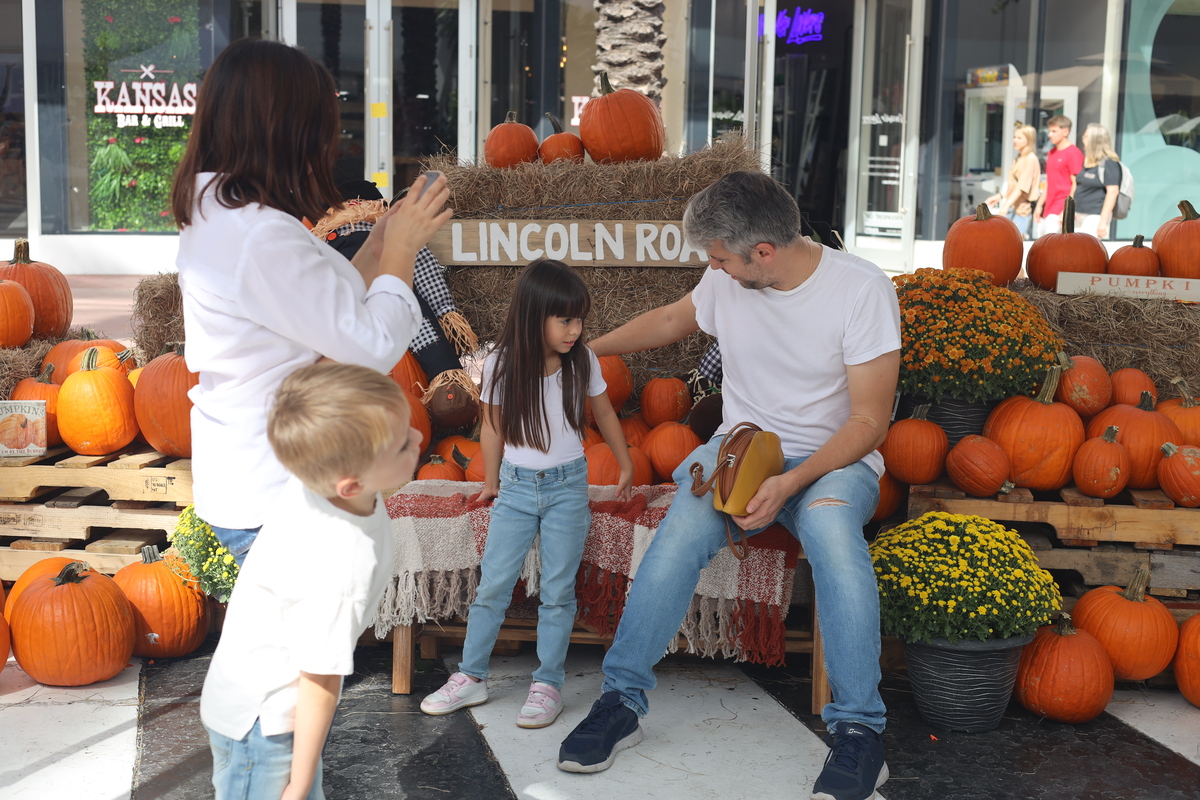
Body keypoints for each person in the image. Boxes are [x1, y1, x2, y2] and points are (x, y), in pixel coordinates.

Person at [556, 171, 901, 800]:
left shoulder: (860, 290)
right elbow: (672, 319)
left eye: (719, 258)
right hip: (740, 449)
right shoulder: (727, 277)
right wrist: (582, 354)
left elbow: (869, 423)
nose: (711, 269)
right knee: (679, 531)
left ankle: (859, 733)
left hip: (835, 460)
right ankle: (621, 701)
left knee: (830, 531)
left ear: (762, 252)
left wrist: (792, 481)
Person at [169, 39, 451, 565]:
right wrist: (405, 250)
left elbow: (319, 295)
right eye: (325, 126)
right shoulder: (258, 236)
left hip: (247, 477)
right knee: (306, 646)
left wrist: (379, 242)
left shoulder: (217, 211)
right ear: (284, 131)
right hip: (277, 488)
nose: (333, 141)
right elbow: (369, 346)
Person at [420, 259, 635, 728]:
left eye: (580, 319)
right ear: (534, 316)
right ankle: (471, 677)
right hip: (516, 489)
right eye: (566, 319)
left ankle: (547, 684)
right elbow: (493, 427)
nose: (575, 329)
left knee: (558, 591)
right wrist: (491, 481)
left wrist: (624, 462)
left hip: (567, 489)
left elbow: (605, 413)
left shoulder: (583, 361)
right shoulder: (501, 363)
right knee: (494, 585)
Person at [200, 362, 423, 800]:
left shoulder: (319, 481)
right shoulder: (341, 559)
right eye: (402, 445)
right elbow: (320, 680)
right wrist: (299, 787)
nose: (418, 439)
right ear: (349, 484)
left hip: (259, 705)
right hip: (265, 728)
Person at [984, 124, 1041, 239]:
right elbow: (1013, 185)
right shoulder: (1019, 157)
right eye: (1015, 137)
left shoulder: (1030, 159)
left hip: (1022, 211)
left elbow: (1021, 188)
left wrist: (1005, 206)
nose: (1015, 140)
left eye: (1019, 138)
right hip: (1012, 207)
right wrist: (1000, 196)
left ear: (1029, 140)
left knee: (1015, 243)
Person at [1032, 115, 1084, 237]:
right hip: (1048, 208)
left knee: (1052, 247)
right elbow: (1049, 182)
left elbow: (1076, 184)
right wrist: (1039, 206)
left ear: (1065, 132)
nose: (1050, 134)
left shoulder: (1074, 153)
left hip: (1061, 208)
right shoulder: (1052, 152)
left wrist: (1066, 211)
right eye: (1049, 131)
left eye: (1054, 131)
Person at [1074, 123, 1122, 240]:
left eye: (1085, 137)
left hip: (1094, 216)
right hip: (1078, 215)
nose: (1083, 140)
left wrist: (1103, 222)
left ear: (1094, 141)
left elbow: (1112, 192)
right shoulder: (1088, 163)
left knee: (1086, 251)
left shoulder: (1109, 163)